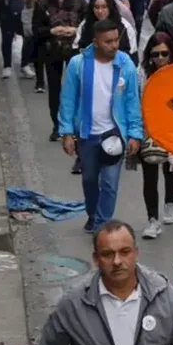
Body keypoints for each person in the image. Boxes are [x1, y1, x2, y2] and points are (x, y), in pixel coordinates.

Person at [35, 221, 173, 345]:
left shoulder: (163, 295)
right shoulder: (74, 303)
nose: (117, 261)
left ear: (136, 253)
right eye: (108, 254)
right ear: (96, 259)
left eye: (125, 252)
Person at [58, 19, 144, 233]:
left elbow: (133, 101)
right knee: (89, 180)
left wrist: (135, 133)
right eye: (108, 41)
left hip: (115, 135)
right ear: (96, 42)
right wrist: (67, 132)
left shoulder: (126, 65)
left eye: (116, 40)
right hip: (88, 135)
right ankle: (93, 213)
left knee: (109, 183)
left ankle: (100, 225)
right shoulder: (78, 64)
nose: (114, 45)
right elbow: (68, 99)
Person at [32, 0, 83, 139]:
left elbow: (87, 25)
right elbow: (36, 29)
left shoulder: (79, 1)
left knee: (75, 88)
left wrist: (74, 30)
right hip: (51, 50)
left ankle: (75, 125)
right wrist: (52, 31)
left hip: (74, 50)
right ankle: (57, 125)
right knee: (54, 89)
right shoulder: (42, 3)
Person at [139, 34, 173, 240]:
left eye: (165, 53)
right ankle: (152, 219)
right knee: (150, 174)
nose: (161, 58)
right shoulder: (142, 73)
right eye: (156, 54)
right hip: (148, 128)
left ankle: (170, 204)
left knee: (171, 169)